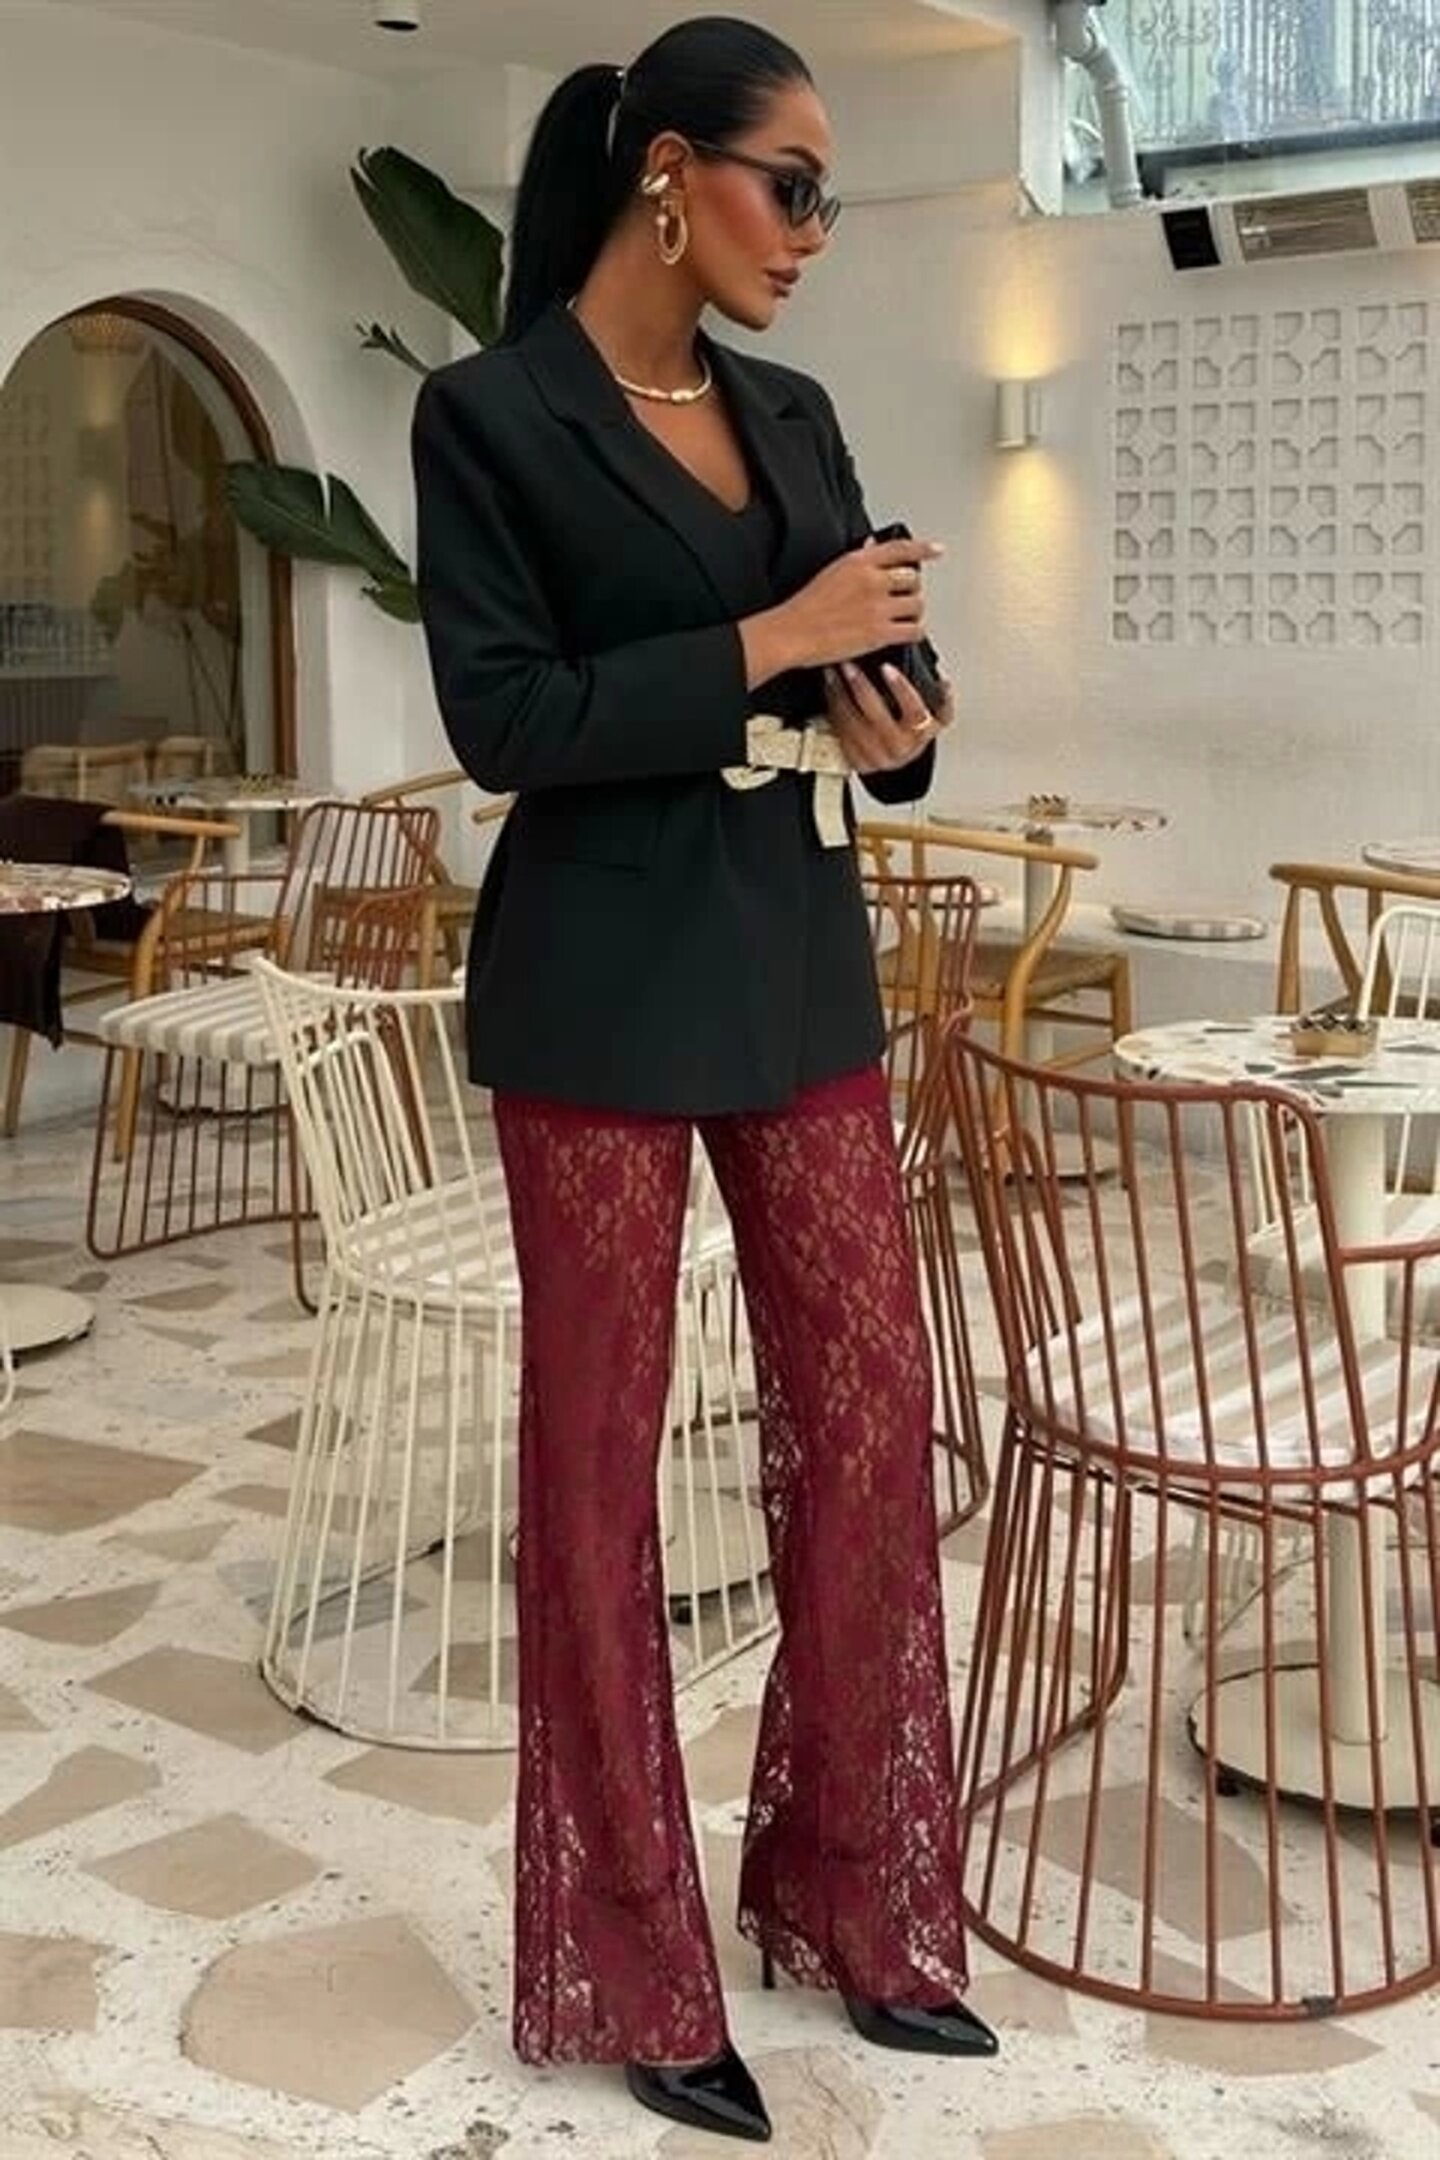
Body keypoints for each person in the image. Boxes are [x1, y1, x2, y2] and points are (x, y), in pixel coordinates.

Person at [412, 15, 997, 2144]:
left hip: (799, 969)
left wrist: (895, 714)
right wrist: (771, 640)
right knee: (597, 1467)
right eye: (794, 186)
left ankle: (856, 1901)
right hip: (595, 993)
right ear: (671, 172)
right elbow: (506, 720)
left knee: (873, 1415)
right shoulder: (491, 415)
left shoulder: (796, 410)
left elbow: (876, 682)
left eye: (830, 195)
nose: (816, 232)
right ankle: (637, 1965)